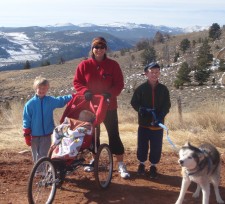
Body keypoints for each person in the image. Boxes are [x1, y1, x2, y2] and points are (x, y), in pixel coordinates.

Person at [73, 36, 130, 179]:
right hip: (90, 106)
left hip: (109, 106)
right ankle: (95, 160)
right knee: (92, 135)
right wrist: (84, 92)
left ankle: (121, 164)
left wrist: (109, 94)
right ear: (92, 49)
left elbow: (119, 84)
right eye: (96, 47)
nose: (99, 50)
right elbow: (77, 82)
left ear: (106, 49)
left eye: (102, 47)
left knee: (113, 134)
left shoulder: (113, 65)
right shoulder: (84, 65)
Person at [130, 62, 171, 179]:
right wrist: (140, 109)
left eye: (157, 72)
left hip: (158, 124)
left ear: (159, 73)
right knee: (142, 145)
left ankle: (153, 166)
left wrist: (160, 116)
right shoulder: (141, 89)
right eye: (152, 72)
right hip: (143, 124)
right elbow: (134, 102)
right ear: (146, 73)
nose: (154, 74)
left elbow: (167, 105)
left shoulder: (163, 89)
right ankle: (141, 164)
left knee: (156, 146)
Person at [23, 76, 72, 163]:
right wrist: (27, 134)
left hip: (46, 134)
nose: (42, 90)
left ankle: (44, 172)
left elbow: (60, 101)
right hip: (34, 135)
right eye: (40, 88)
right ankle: (38, 171)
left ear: (47, 89)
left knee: (44, 154)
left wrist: (72, 96)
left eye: (44, 88)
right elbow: (26, 119)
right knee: (36, 154)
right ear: (35, 88)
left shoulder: (50, 101)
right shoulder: (30, 104)